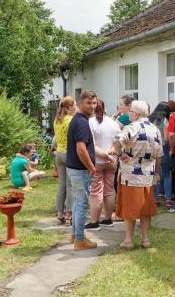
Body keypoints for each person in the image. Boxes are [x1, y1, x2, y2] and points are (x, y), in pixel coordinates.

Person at [111, 100, 162, 250]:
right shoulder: (155, 129)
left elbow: (116, 141)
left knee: (129, 209)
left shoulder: (131, 127)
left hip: (130, 176)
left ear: (136, 114)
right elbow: (159, 155)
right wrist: (156, 173)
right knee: (145, 209)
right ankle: (145, 240)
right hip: (147, 176)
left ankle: (128, 240)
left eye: (131, 112)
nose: (129, 114)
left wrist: (120, 155)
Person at [66, 90, 97, 251]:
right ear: (80, 103)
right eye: (88, 103)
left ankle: (74, 235)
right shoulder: (82, 123)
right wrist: (91, 168)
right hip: (80, 170)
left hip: (75, 169)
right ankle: (79, 240)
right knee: (82, 204)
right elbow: (81, 150)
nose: (92, 106)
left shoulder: (78, 120)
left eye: (94, 103)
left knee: (78, 203)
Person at [85, 99, 120, 229]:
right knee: (109, 189)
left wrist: (104, 155)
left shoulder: (90, 123)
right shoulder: (113, 123)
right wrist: (110, 154)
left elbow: (92, 146)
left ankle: (94, 222)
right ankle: (108, 219)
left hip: (97, 161)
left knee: (96, 191)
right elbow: (117, 142)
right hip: (112, 160)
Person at [53, 96, 76, 225]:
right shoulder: (70, 120)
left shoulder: (57, 120)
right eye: (74, 105)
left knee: (61, 185)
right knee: (70, 185)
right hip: (69, 153)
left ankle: (60, 213)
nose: (76, 108)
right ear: (68, 108)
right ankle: (69, 214)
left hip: (59, 153)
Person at [149, 102, 173, 208]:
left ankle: (154, 199)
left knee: (154, 173)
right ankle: (168, 199)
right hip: (163, 149)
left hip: (151, 149)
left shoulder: (150, 119)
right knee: (167, 174)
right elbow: (167, 138)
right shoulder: (165, 120)